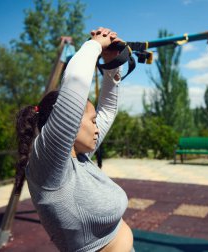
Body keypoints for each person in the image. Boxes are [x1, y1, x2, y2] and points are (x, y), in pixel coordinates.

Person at [15, 27, 134, 252]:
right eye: (90, 120)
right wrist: (94, 45)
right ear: (67, 123)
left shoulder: (78, 156)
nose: (96, 126)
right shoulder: (49, 169)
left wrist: (112, 65)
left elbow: (107, 110)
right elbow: (75, 85)